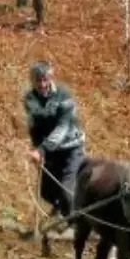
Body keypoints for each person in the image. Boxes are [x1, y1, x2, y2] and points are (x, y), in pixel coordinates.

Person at [23, 60, 87, 228]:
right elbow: (34, 126)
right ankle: (63, 210)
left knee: (66, 192)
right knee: (45, 191)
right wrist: (37, 149)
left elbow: (63, 127)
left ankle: (75, 225)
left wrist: (42, 149)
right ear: (32, 81)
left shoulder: (64, 95)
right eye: (38, 81)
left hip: (71, 148)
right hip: (51, 150)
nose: (42, 84)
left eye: (45, 79)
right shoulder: (30, 98)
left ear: (51, 78)